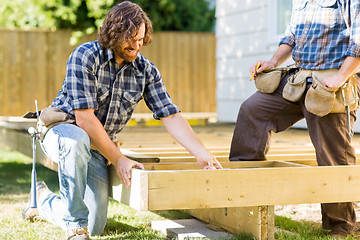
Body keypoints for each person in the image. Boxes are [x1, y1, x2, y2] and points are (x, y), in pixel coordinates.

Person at [22, 1, 222, 239]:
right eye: (131, 40)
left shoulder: (146, 70)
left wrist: (200, 152)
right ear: (113, 33)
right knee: (76, 143)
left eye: (141, 40)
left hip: (99, 145)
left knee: (95, 225)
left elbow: (171, 114)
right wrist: (118, 159)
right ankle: (75, 227)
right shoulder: (85, 56)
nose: (137, 46)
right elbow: (84, 120)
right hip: (64, 130)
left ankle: (42, 199)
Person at [230, 0, 360, 238]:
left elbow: (359, 40)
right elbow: (291, 35)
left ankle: (340, 226)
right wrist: (272, 62)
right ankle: (243, 198)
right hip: (299, 79)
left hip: (330, 84)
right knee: (253, 110)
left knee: (333, 155)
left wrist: (341, 76)